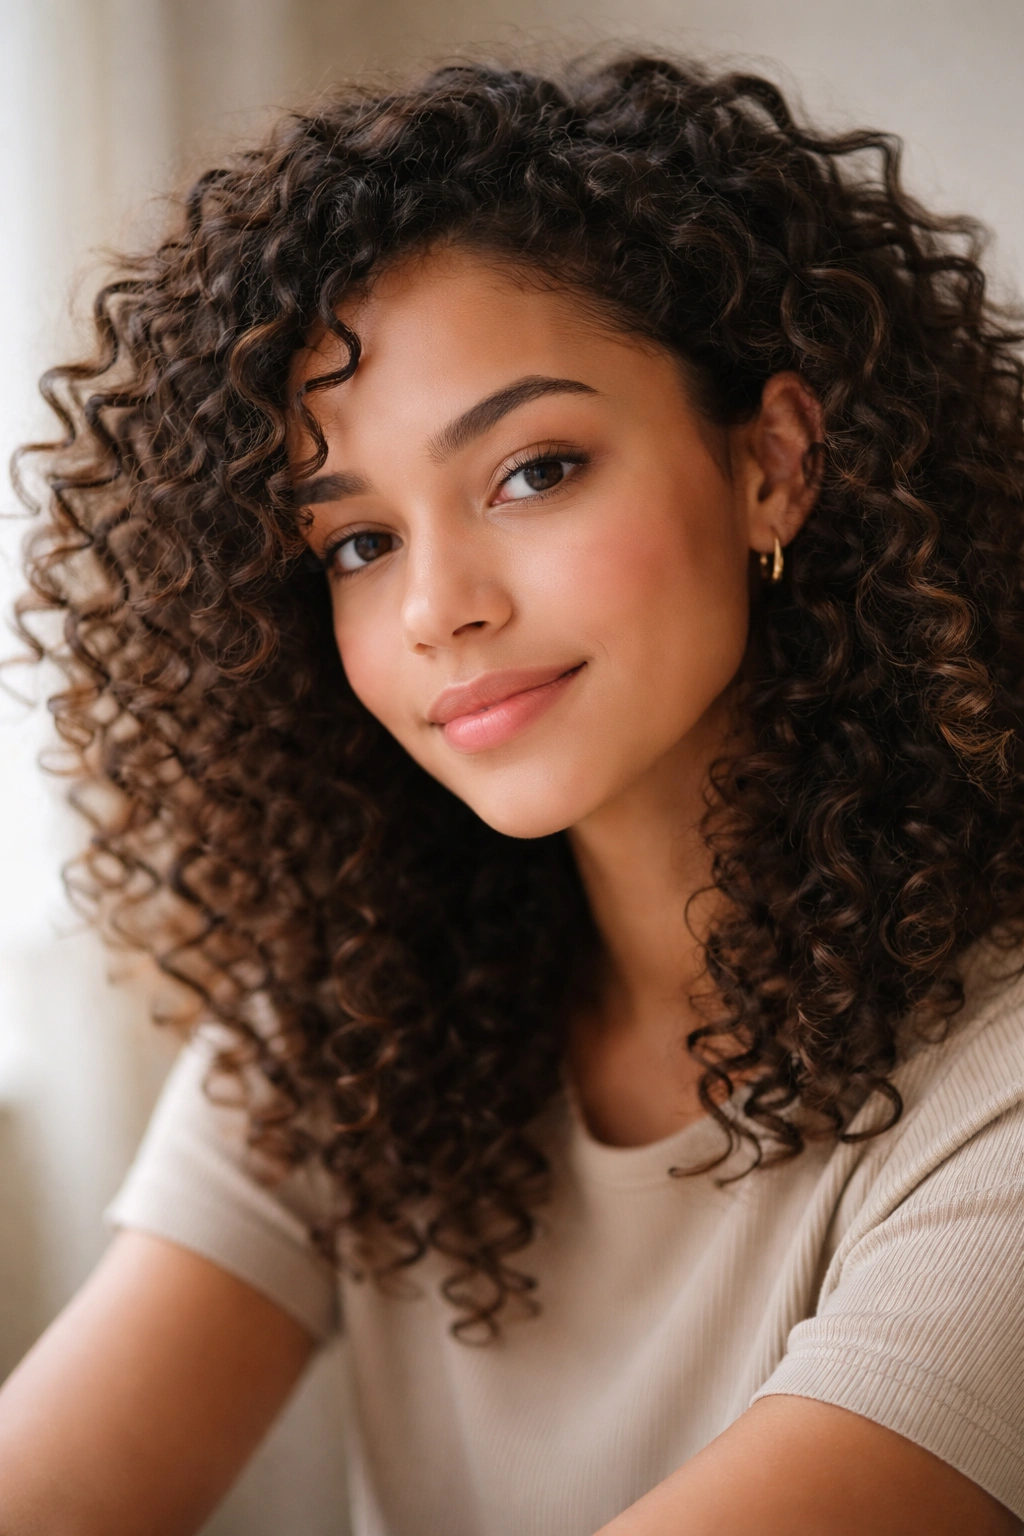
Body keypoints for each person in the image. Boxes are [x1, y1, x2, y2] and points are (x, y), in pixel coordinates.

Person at [1, 49, 1023, 1536]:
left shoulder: (997, 1085)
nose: (437, 609)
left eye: (536, 471)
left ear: (775, 465)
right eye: (357, 545)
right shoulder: (357, 1018)